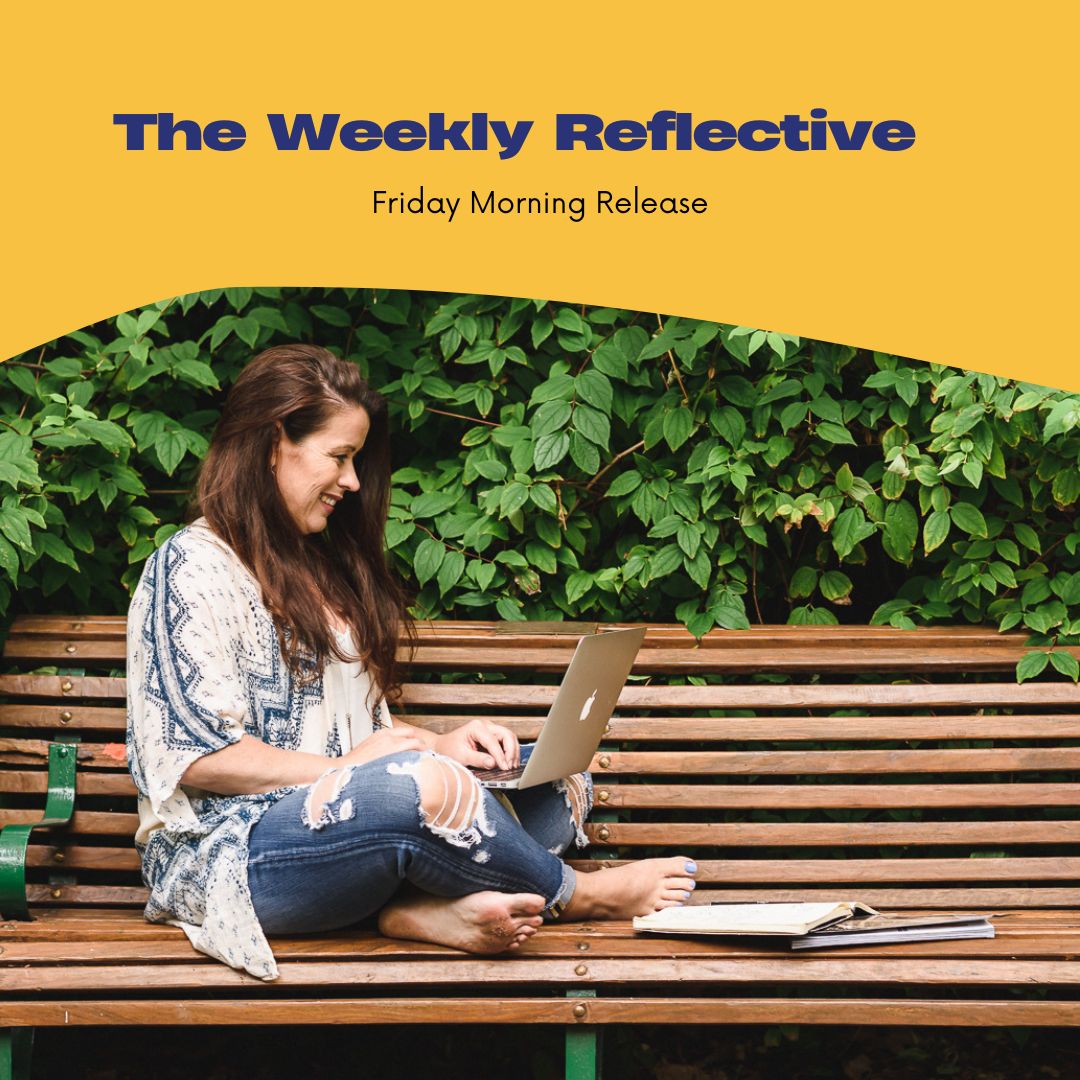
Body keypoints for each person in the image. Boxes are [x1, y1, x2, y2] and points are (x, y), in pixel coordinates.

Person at [126, 343, 698, 980]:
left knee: (551, 787)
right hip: (234, 853)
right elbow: (200, 757)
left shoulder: (322, 571)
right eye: (339, 457)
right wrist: (352, 770)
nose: (353, 481)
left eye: (357, 460)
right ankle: (580, 894)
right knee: (421, 792)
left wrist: (441, 743)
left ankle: (408, 910)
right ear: (272, 443)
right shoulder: (189, 569)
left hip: (354, 824)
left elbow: (369, 745)